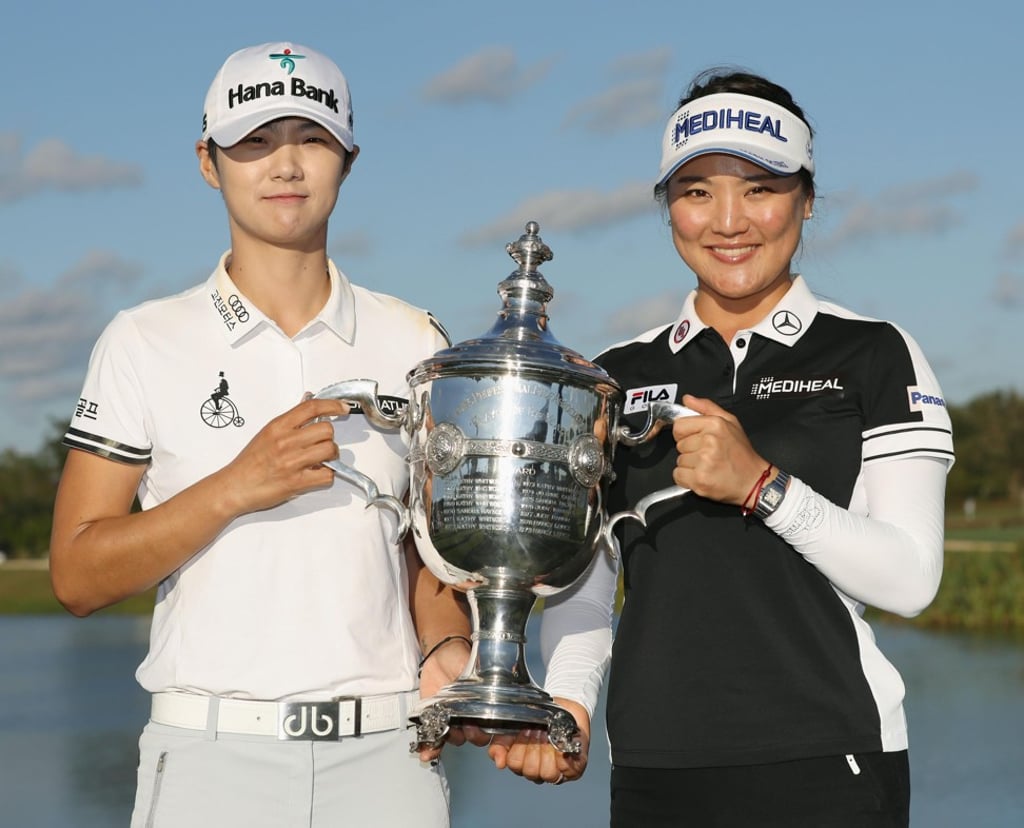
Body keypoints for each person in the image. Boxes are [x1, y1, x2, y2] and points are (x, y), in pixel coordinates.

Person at [489, 68, 954, 827]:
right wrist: (568, 702)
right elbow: (588, 587)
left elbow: (912, 579)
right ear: (667, 207)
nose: (729, 221)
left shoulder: (875, 353)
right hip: (654, 769)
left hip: (830, 760)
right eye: (698, 191)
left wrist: (762, 485)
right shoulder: (612, 376)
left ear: (806, 199)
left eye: (760, 188)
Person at [49, 42, 472, 827]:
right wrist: (236, 487)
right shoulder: (142, 340)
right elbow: (76, 575)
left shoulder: (417, 340)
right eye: (254, 141)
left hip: (390, 754)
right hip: (209, 757)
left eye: (312, 138)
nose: (286, 165)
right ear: (208, 164)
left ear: (348, 159)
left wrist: (446, 643)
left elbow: (424, 553)